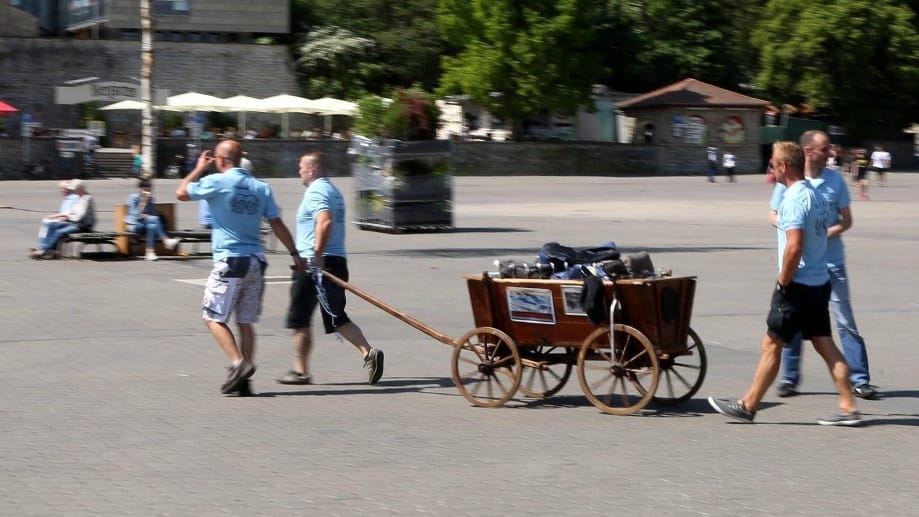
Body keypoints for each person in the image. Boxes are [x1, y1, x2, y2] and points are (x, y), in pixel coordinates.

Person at [708, 141, 861, 426]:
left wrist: (783, 282)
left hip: (798, 285)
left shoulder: (792, 199)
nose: (771, 168)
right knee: (824, 343)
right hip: (819, 281)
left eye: (773, 163)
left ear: (783, 166)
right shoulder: (814, 194)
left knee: (771, 343)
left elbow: (794, 246)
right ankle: (849, 407)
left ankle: (748, 405)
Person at [176, 140, 304, 395]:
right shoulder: (260, 187)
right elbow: (276, 223)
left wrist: (198, 168)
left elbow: (181, 192)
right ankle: (245, 382)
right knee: (245, 321)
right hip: (256, 261)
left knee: (212, 317)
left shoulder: (217, 181)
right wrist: (294, 253)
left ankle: (239, 364)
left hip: (230, 260)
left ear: (221, 160)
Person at [770, 131, 877, 400]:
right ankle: (790, 378)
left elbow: (847, 220)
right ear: (807, 151)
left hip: (832, 263)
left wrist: (824, 232)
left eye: (829, 148)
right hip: (803, 266)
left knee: (844, 322)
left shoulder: (835, 182)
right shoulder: (787, 183)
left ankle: (860, 379)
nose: (830, 153)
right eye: (824, 148)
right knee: (797, 327)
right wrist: (796, 228)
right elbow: (774, 214)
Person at [278, 151, 384, 386]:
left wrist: (316, 255)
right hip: (336, 260)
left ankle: (300, 371)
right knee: (337, 317)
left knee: (299, 319)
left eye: (301, 167)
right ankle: (368, 353)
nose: (299, 171)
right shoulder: (333, 191)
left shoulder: (316, 191)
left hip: (313, 265)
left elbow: (324, 221)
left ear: (312, 169)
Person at [31, 179, 95, 259]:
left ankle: (44, 250)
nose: (73, 191)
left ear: (79, 189)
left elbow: (79, 216)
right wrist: (63, 215)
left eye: (75, 189)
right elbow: (73, 212)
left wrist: (68, 217)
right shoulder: (80, 197)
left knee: (59, 232)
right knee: (52, 225)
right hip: (76, 223)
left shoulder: (86, 199)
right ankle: (47, 249)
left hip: (83, 226)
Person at [125, 178, 180, 261]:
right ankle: (166, 241)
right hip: (133, 225)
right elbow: (134, 214)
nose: (147, 192)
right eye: (145, 189)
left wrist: (146, 215)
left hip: (147, 223)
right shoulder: (133, 198)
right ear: (140, 189)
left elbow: (152, 213)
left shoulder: (151, 199)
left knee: (152, 226)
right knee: (153, 220)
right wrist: (143, 202)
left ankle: (150, 253)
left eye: (149, 189)